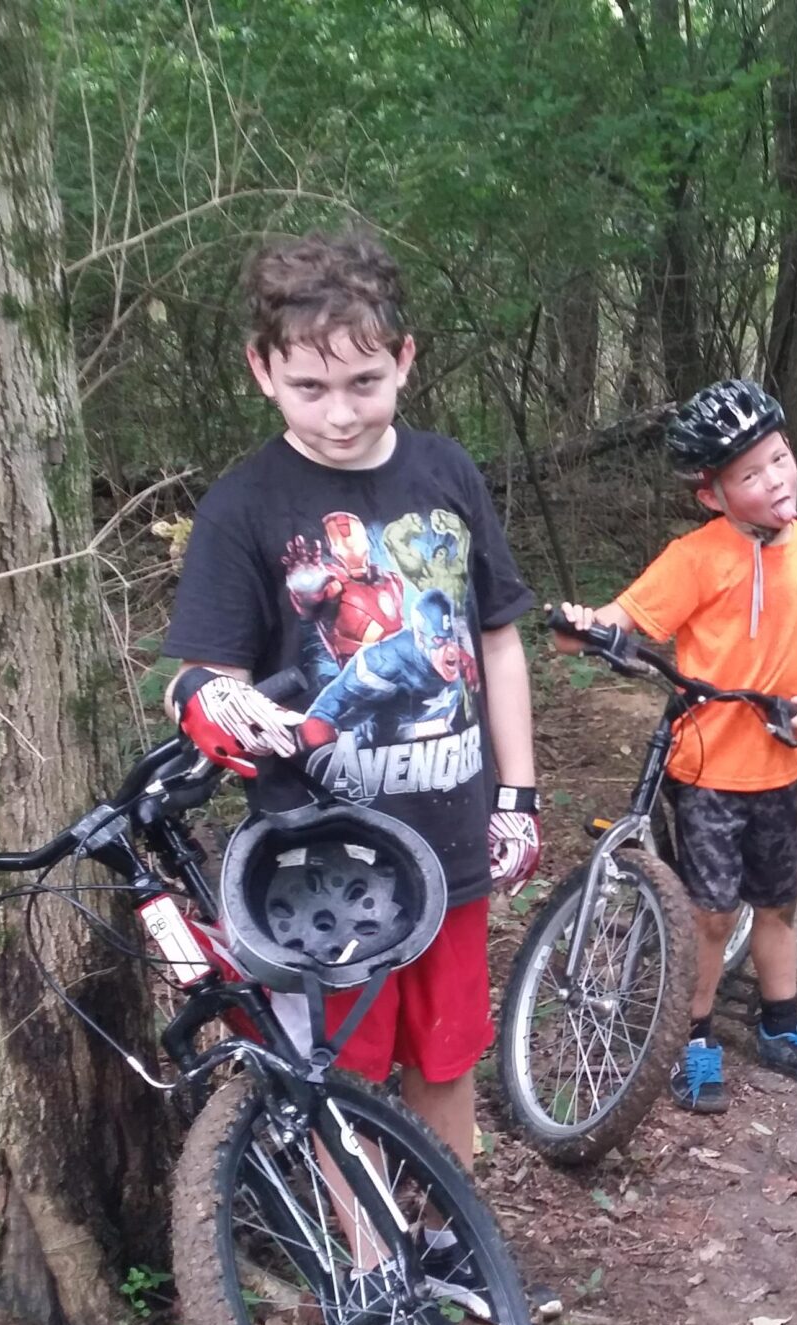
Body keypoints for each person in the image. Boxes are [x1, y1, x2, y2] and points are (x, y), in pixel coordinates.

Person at [163, 230, 543, 1177]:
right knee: (339, 1075)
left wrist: (520, 798)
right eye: (311, 389)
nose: (340, 414)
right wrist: (218, 707)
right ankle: (374, 1274)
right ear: (263, 371)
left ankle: (454, 1244)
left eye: (364, 383)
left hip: (452, 842)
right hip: (319, 869)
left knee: (447, 1059)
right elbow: (200, 674)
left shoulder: (446, 473)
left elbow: (496, 638)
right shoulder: (244, 508)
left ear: (404, 361)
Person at [555, 379, 797, 1111]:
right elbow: (624, 618)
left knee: (776, 904)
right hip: (706, 769)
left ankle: (781, 1025)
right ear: (714, 496)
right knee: (711, 911)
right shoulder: (696, 557)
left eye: (780, 459)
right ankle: (690, 1037)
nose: (775, 480)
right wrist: (582, 628)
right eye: (750, 475)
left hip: (777, 764)